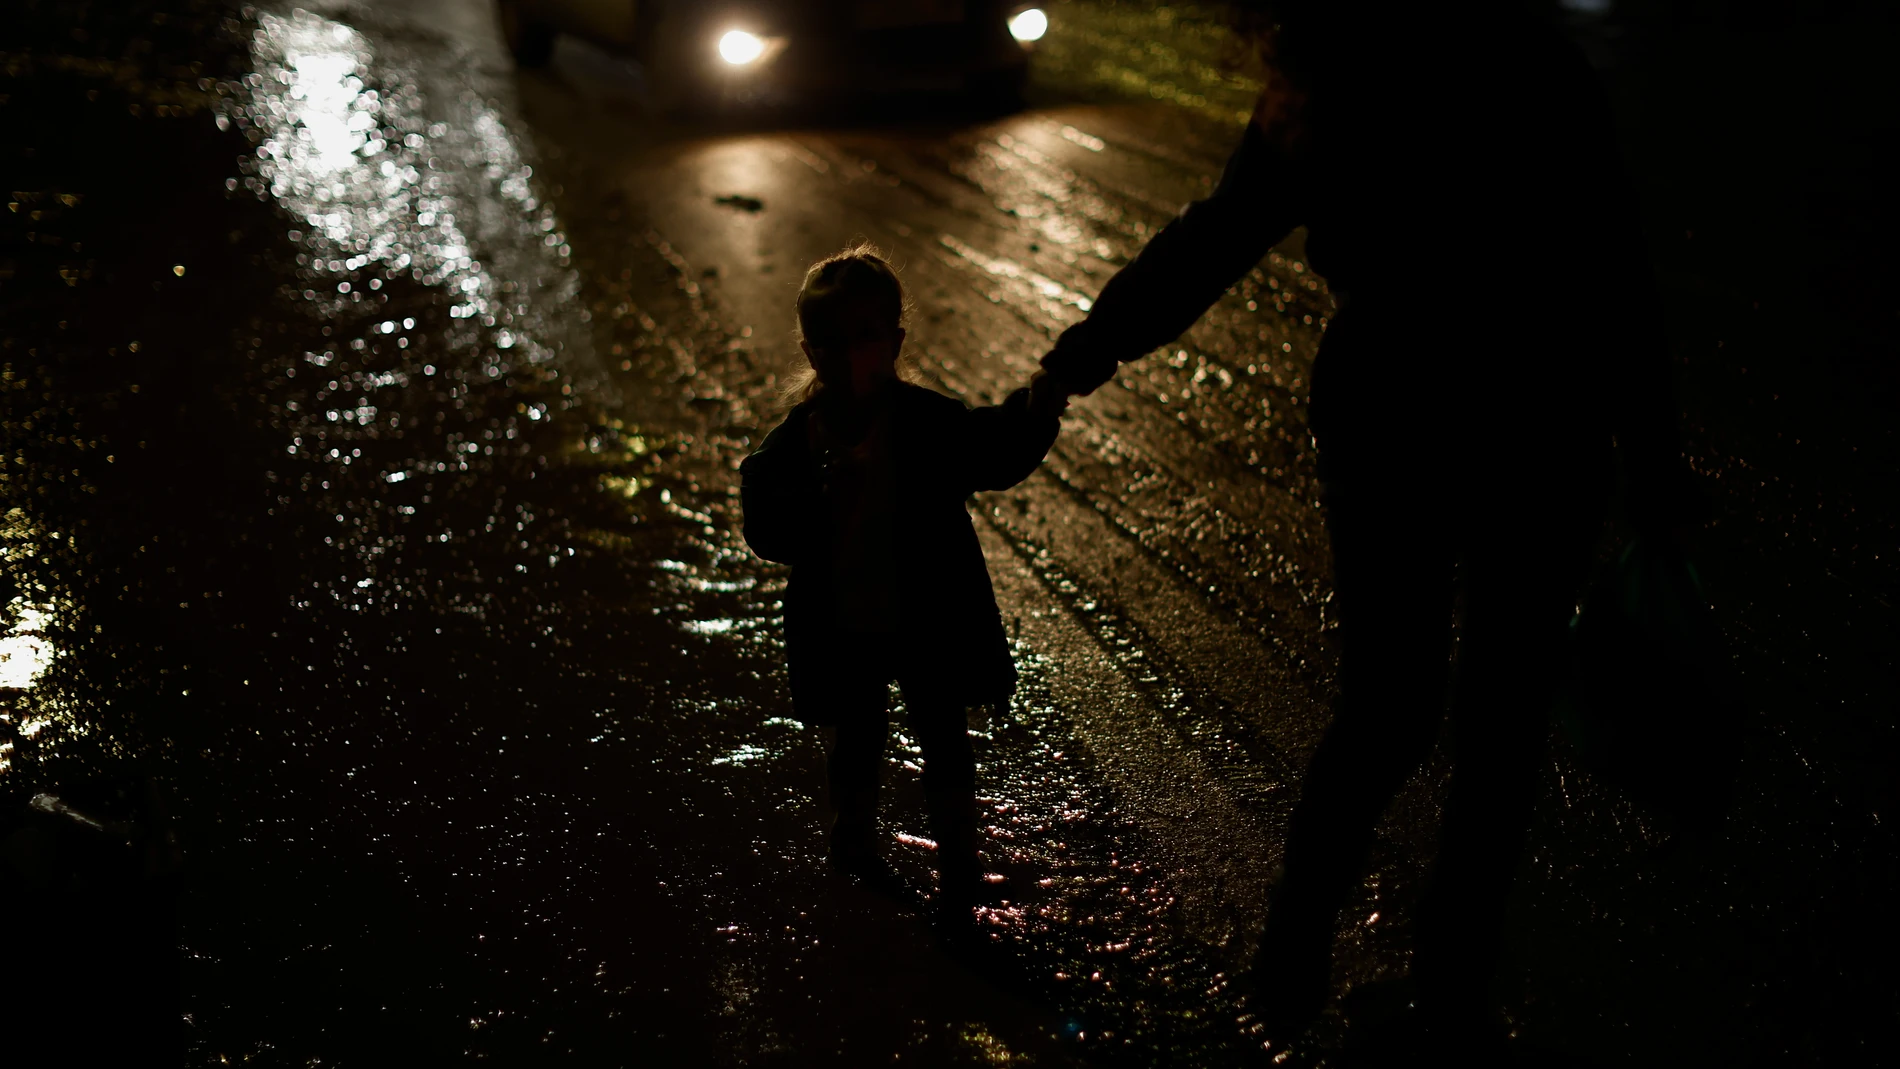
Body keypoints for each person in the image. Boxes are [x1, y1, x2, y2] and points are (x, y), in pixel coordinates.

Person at [1025, 0, 1702, 1053]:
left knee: (1388, 706)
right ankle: (1448, 993)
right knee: (1501, 725)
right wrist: (1653, 458)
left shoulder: (1334, 69)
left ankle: (1293, 956)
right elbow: (1614, 263)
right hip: (1541, 414)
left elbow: (1220, 233)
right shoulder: (1534, 63)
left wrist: (1088, 351)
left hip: (1390, 410)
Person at [741, 246, 1066, 917]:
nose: (848, 355)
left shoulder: (927, 423)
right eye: (831, 341)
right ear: (809, 352)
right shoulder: (796, 445)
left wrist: (1036, 409)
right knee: (857, 739)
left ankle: (958, 863)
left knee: (943, 738)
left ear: (893, 342)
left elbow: (994, 450)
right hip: (844, 623)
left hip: (927, 618)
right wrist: (820, 499)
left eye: (864, 336)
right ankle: (855, 842)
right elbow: (766, 528)